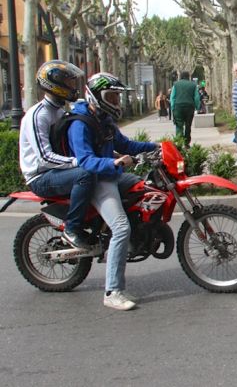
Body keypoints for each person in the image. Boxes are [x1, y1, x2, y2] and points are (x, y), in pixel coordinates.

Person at [67, 72, 158, 310]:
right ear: (96, 96)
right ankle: (113, 291)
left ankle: (137, 236)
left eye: (117, 97)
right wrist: (114, 163)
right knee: (121, 228)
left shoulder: (104, 120)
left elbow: (125, 145)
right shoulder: (80, 123)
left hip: (111, 175)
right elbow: (85, 160)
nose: (116, 102)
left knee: (143, 187)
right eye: (111, 97)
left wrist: (157, 146)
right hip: (98, 179)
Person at [19, 60, 96, 250]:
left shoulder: (60, 110)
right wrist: (78, 162)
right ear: (55, 85)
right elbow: (45, 157)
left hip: (56, 171)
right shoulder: (39, 115)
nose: (72, 87)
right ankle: (72, 229)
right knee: (85, 175)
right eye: (68, 83)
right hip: (41, 176)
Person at [169, 71, 200, 146]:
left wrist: (172, 108)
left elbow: (172, 97)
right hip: (189, 107)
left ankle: (179, 142)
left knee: (179, 125)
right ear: (188, 77)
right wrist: (197, 107)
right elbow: (196, 97)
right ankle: (186, 143)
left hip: (178, 107)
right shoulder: (193, 85)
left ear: (181, 77)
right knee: (188, 125)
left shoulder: (175, 85)